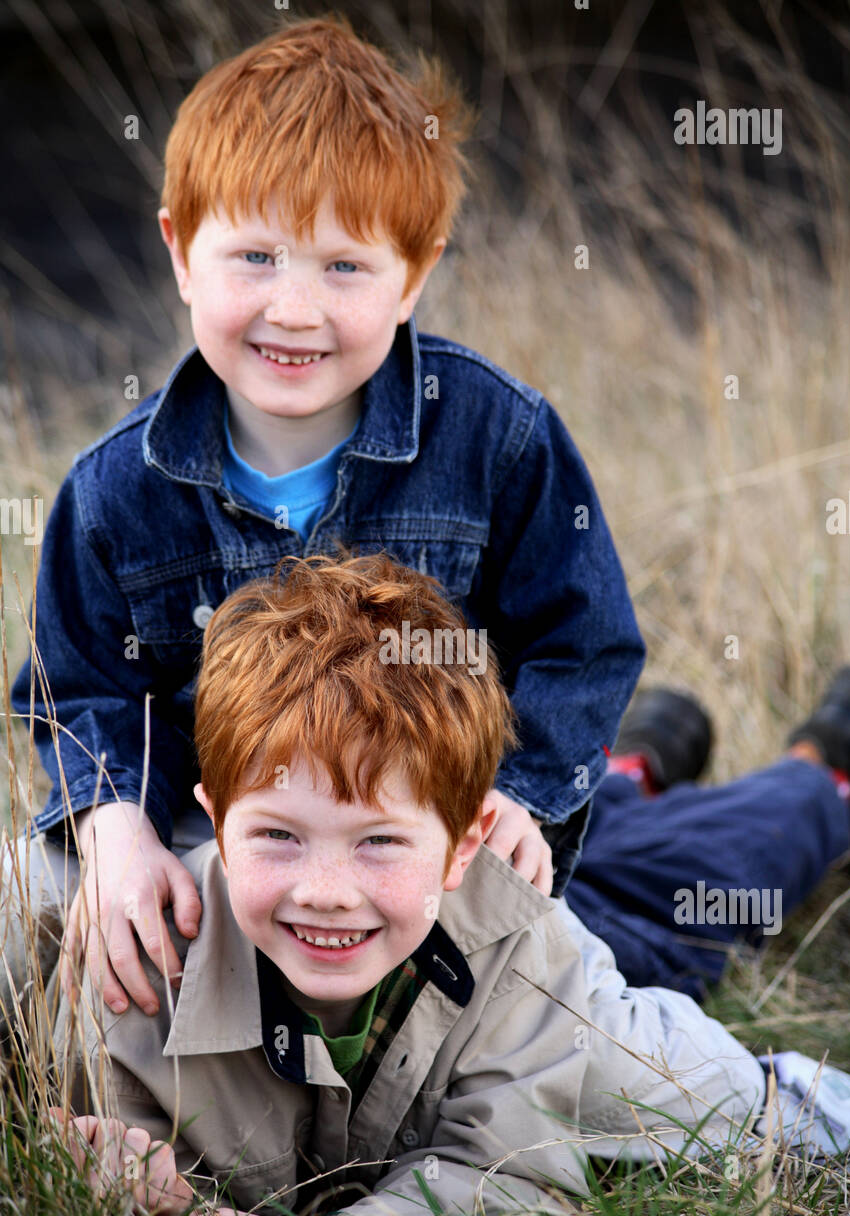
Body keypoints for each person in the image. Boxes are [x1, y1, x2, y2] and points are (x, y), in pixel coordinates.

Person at [5, 14, 644, 1025]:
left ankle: (718, 811)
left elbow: (583, 639)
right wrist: (112, 823)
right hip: (220, 844)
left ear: (415, 275)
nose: (293, 310)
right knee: (40, 911)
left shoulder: (497, 439)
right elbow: (77, 685)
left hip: (425, 844)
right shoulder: (115, 488)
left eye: (343, 267)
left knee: (564, 995)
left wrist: (523, 793)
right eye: (253, 256)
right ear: (180, 251)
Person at [52, 554, 850, 1216]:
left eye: (375, 841)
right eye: (276, 836)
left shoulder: (532, 952)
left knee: (706, 892)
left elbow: (506, 1174)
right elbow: (137, 1179)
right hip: (441, 891)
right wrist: (147, 1181)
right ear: (214, 822)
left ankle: (822, 766)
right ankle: (631, 767)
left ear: (465, 845)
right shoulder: (137, 963)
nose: (326, 889)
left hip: (513, 939)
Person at [566, 675, 850, 999]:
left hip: (532, 895)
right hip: (578, 932)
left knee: (556, 823)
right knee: (684, 881)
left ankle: (630, 775)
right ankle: (828, 774)